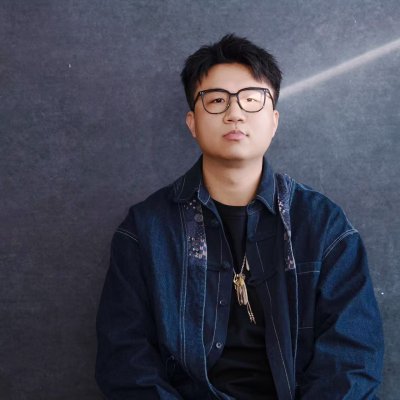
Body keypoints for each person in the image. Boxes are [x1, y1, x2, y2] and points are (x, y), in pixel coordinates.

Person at [95, 34, 384, 399]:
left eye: (251, 99)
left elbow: (353, 360)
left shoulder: (323, 225)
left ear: (274, 120)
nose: (235, 113)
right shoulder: (146, 229)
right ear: (192, 122)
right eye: (217, 100)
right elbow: (125, 361)